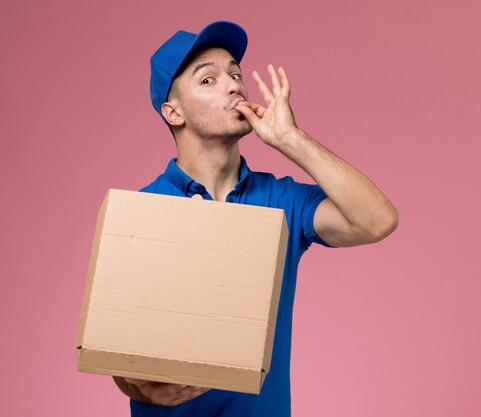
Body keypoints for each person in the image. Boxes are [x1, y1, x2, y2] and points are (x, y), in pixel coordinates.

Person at [112, 20, 398, 416]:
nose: (233, 86)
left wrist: (290, 139)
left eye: (234, 74)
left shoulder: (280, 200)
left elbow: (377, 221)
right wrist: (142, 390)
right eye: (208, 80)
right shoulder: (143, 210)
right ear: (172, 111)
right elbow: (116, 345)